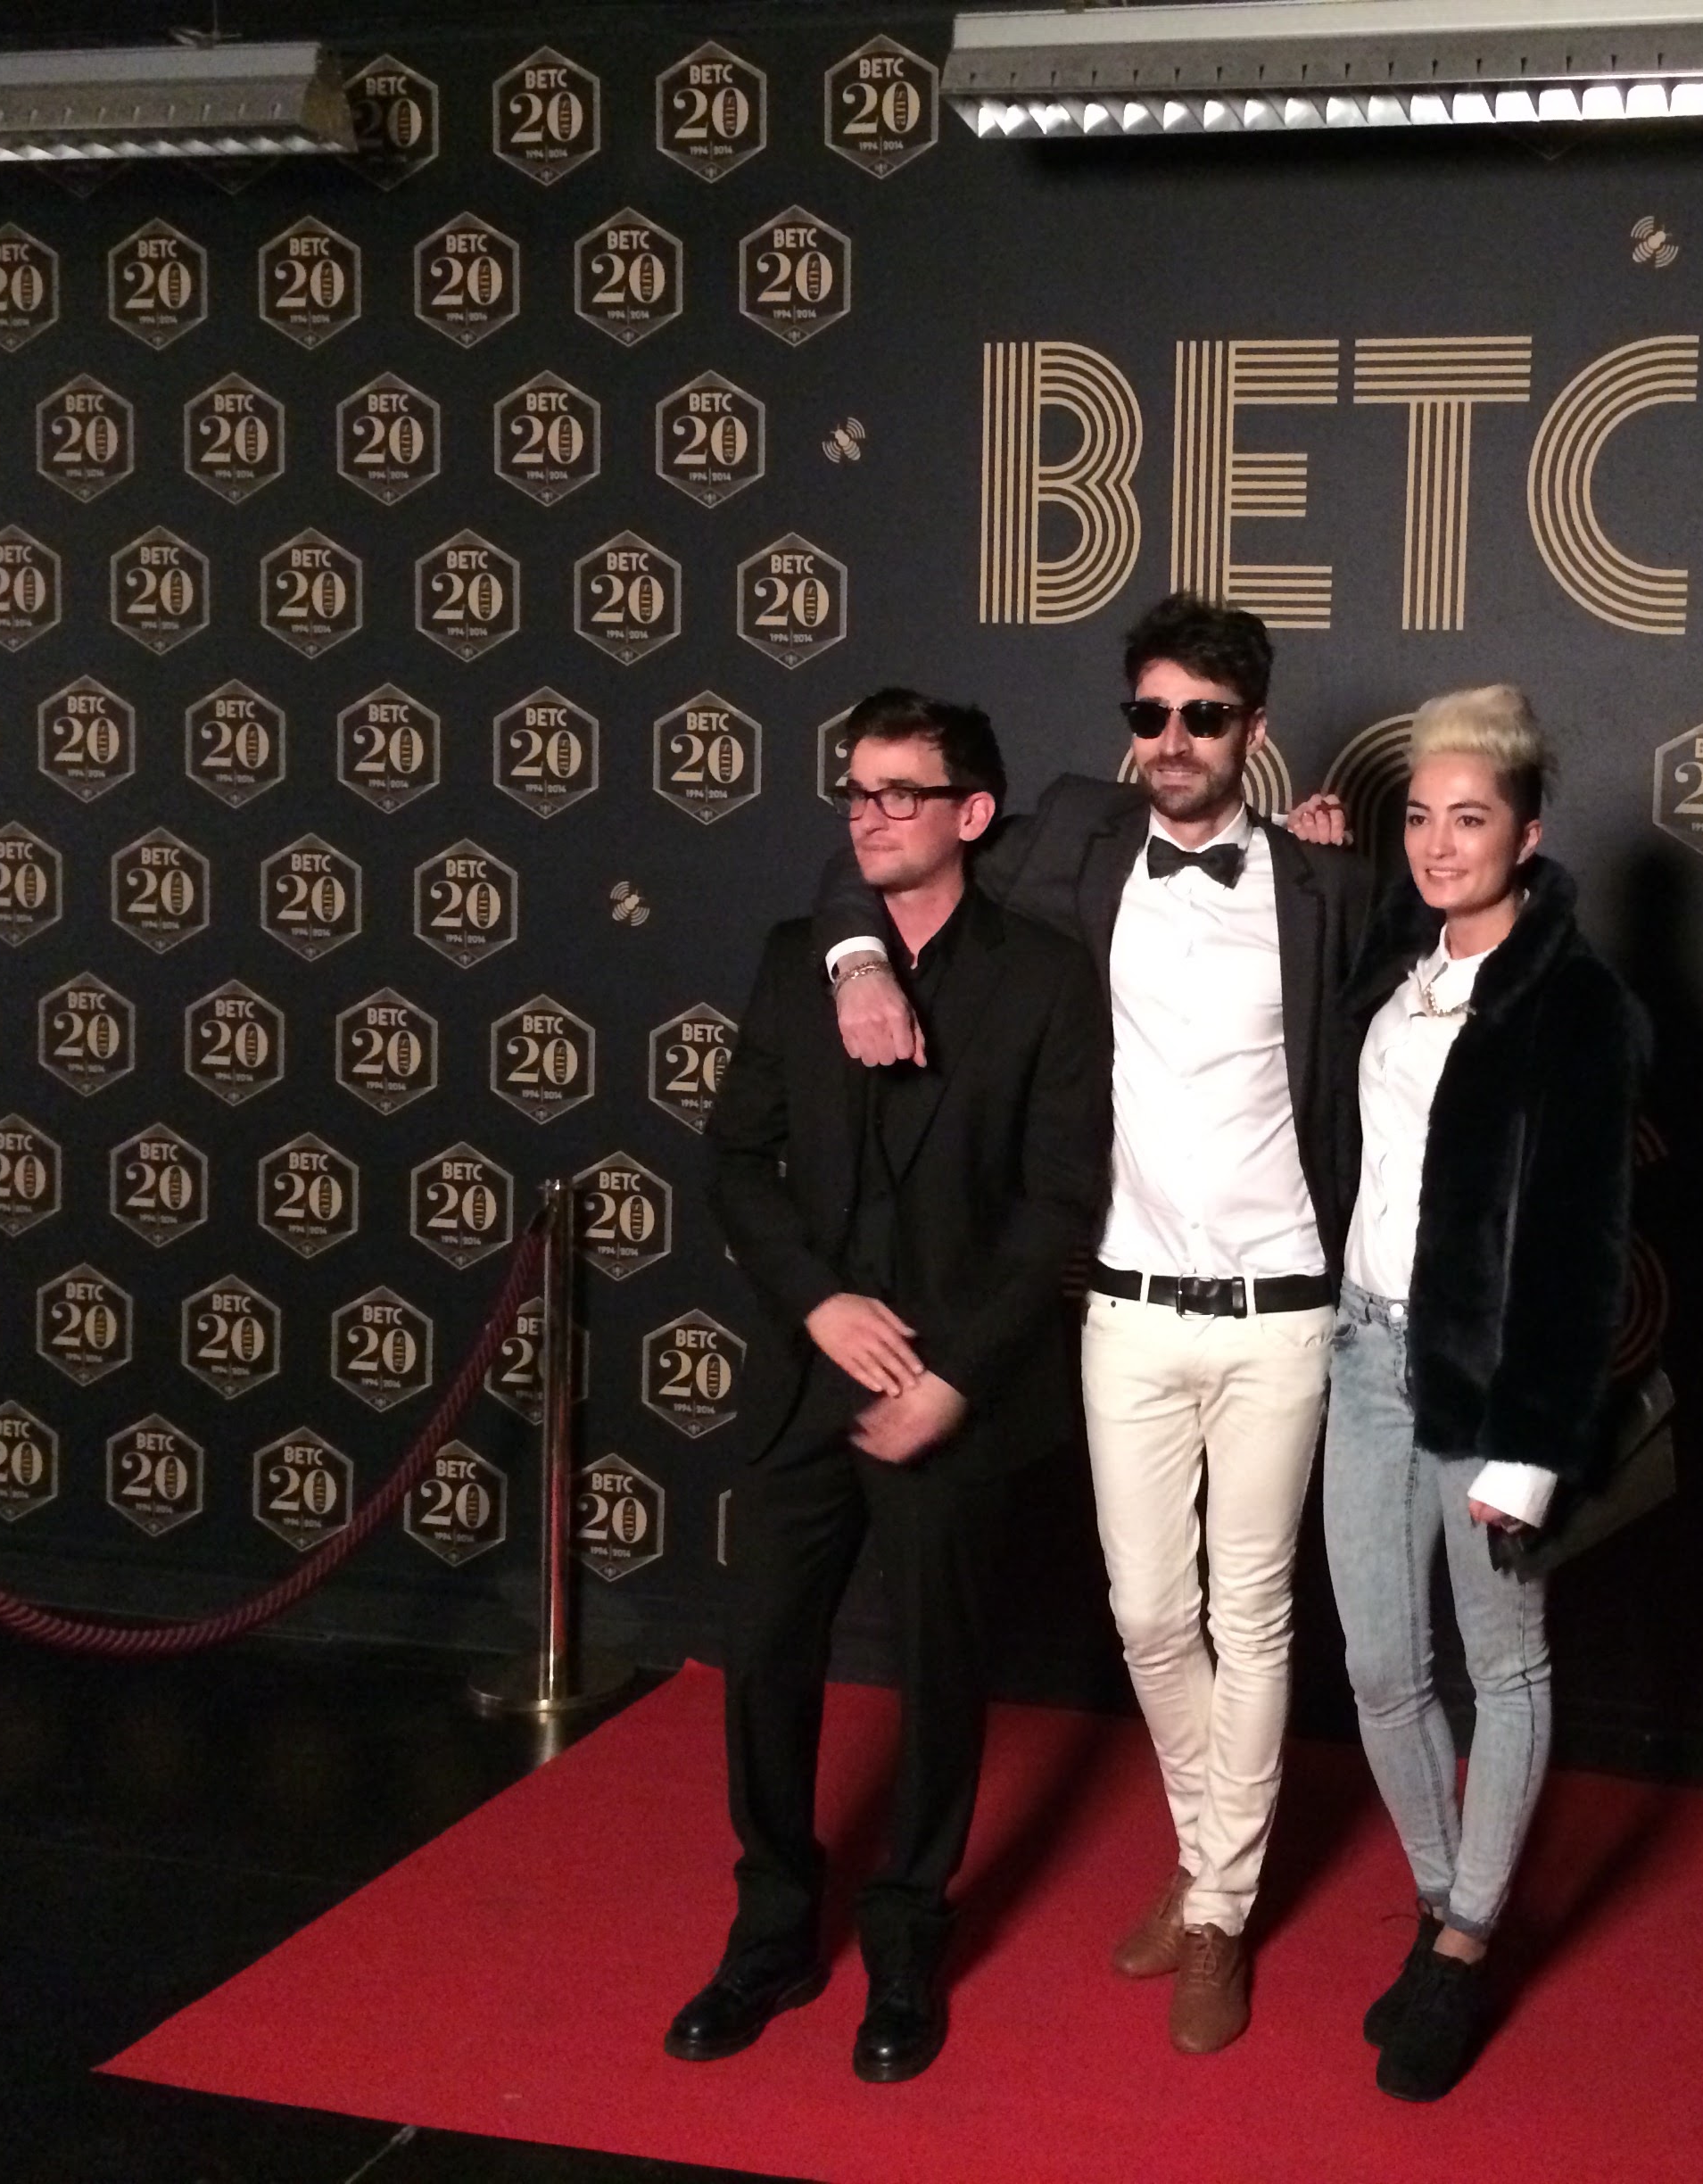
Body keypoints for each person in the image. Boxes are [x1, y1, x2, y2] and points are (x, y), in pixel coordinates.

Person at [816, 594, 1374, 2053]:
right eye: (1149, 714)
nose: (1172, 741)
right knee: (1144, 1611)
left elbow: (1483, 944)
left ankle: (1217, 1911)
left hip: (1280, 1315)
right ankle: (1211, 1866)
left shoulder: (1329, 885)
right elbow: (875, 859)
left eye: (1203, 716)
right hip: (1123, 1305)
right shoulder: (1071, 833)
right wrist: (858, 961)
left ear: (1252, 728)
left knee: (1249, 1612)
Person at [671, 689, 1111, 2084]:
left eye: (898, 793)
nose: (867, 814)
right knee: (767, 1664)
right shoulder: (802, 954)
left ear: (972, 815)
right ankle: (771, 1932)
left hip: (953, 1395)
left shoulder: (1046, 977)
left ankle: (909, 1938)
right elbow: (736, 1155)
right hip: (813, 1377)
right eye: (854, 792)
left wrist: (953, 1377)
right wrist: (820, 1299)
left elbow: (1060, 1201)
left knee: (937, 1678)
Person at [1319, 685, 1647, 2101]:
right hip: (1359, 1355)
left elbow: (1580, 1244)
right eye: (1420, 817)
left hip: (1491, 1376)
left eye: (1471, 818)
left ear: (1529, 831)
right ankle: (1449, 1903)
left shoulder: (1577, 1004)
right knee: (1382, 1671)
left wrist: (1530, 1450)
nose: (1440, 844)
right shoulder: (1397, 957)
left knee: (1502, 1665)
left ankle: (1459, 1945)